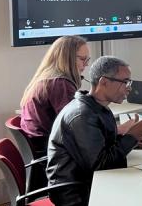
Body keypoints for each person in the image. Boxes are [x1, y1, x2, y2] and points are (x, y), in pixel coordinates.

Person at [46, 56, 142, 206]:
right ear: (104, 82)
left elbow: (103, 148)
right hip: (76, 197)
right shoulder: (82, 116)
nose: (129, 88)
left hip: (88, 184)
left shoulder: (96, 107)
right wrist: (132, 136)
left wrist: (131, 141)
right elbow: (102, 166)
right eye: (125, 82)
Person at [20, 36, 90, 188]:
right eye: (82, 59)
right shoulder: (60, 83)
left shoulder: (46, 78)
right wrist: (117, 132)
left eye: (87, 59)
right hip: (55, 156)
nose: (86, 64)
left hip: (42, 150)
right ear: (67, 58)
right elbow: (75, 128)